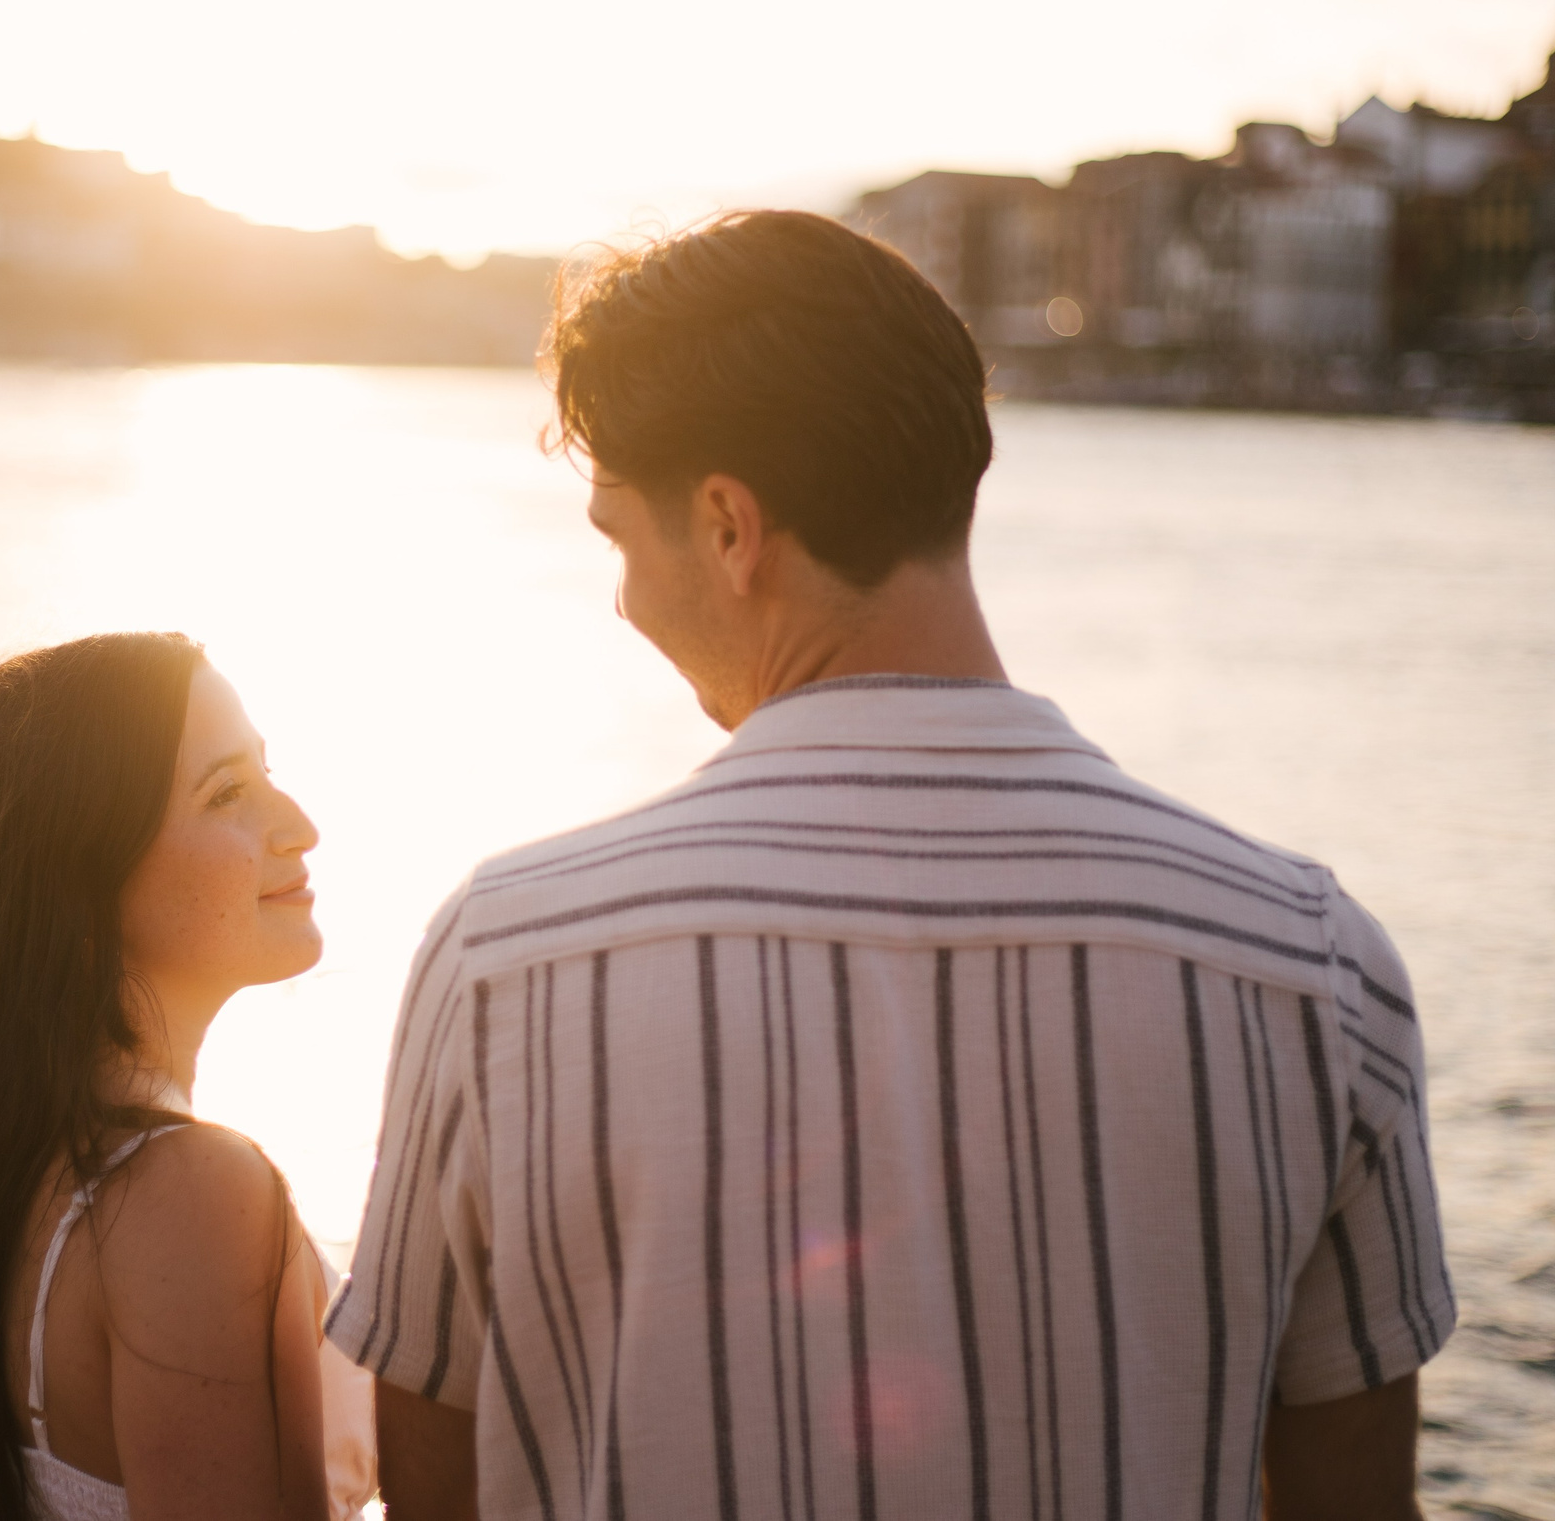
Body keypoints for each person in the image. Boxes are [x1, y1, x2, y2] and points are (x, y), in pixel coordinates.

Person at [329, 212, 1451, 1521]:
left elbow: (435, 1491)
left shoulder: (508, 961)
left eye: (618, 539)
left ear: (730, 525)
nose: (624, 598)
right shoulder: (1314, 965)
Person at [0, 634, 377, 1521]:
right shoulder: (192, 1194)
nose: (298, 824)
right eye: (228, 793)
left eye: (267, 773)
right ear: (84, 883)